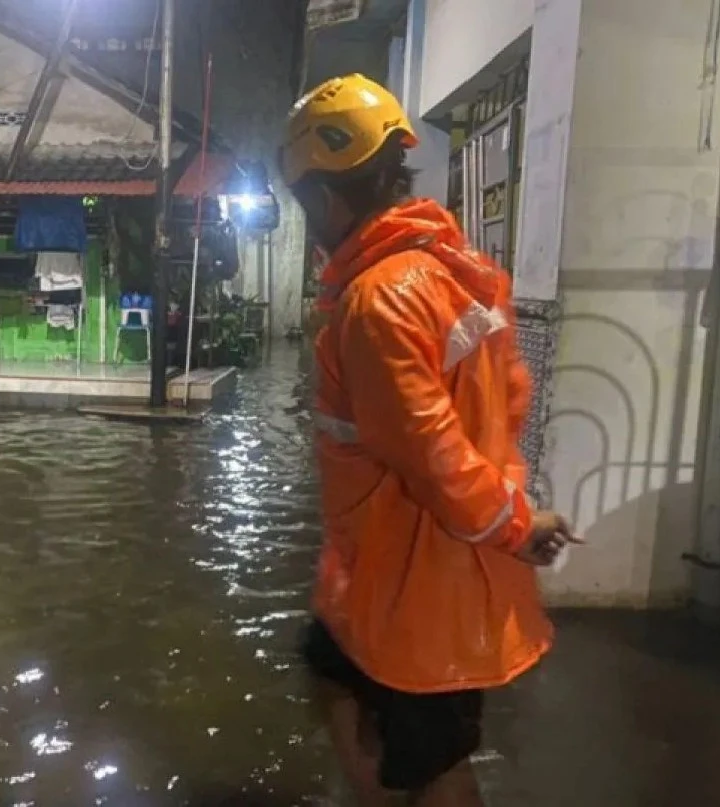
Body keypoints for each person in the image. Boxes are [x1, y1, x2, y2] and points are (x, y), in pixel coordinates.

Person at [278, 74, 579, 805]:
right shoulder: (452, 271)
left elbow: (435, 454)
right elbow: (509, 399)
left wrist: (517, 526)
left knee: (433, 766)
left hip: (417, 587)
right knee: (335, 677)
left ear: (325, 200)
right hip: (390, 574)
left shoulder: (379, 300)